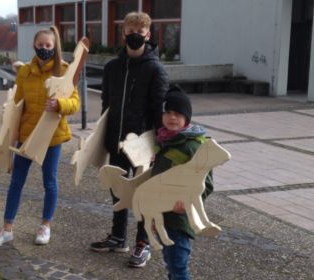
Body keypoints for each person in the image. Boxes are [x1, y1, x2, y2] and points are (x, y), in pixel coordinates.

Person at [0, 26, 80, 248]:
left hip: (52, 137)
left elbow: (75, 103)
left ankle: (45, 225)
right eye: (40, 45)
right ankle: (7, 228)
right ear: (34, 46)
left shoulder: (65, 71)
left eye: (48, 45)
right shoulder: (25, 72)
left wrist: (60, 104)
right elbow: (17, 105)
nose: (44, 49)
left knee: (50, 182)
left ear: (54, 46)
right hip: (27, 136)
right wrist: (10, 131)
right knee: (16, 182)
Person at [90, 11, 168, 268]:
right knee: (118, 190)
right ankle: (118, 236)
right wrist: (102, 139)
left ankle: (142, 243)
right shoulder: (112, 67)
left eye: (140, 32)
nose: (134, 36)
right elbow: (106, 106)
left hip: (144, 144)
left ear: (148, 34)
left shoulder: (155, 69)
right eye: (130, 31)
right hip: (117, 141)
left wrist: (158, 143)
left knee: (143, 194)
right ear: (122, 34)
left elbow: (159, 110)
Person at [151, 86, 213, 280]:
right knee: (170, 263)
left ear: (187, 118)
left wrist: (185, 202)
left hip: (179, 218)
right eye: (168, 112)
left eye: (178, 114)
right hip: (162, 214)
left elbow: (207, 183)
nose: (172, 117)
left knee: (178, 267)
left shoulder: (193, 146)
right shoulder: (164, 141)